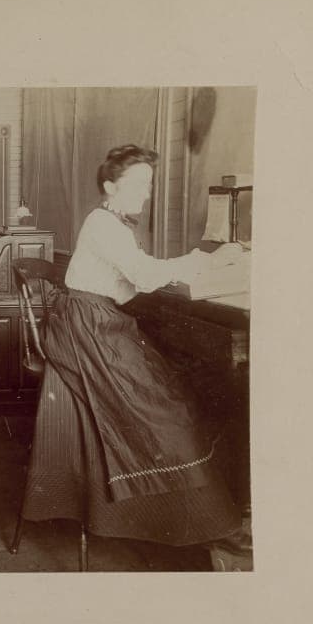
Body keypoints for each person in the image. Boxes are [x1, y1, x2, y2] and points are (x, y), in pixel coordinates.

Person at [30, 144, 249, 559]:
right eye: (139, 184)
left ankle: (200, 516)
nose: (146, 193)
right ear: (110, 186)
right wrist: (208, 259)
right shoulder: (103, 224)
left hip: (96, 319)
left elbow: (137, 276)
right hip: (88, 327)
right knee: (165, 410)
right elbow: (144, 275)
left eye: (149, 184)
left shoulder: (114, 224)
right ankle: (206, 524)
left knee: (175, 394)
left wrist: (198, 266)